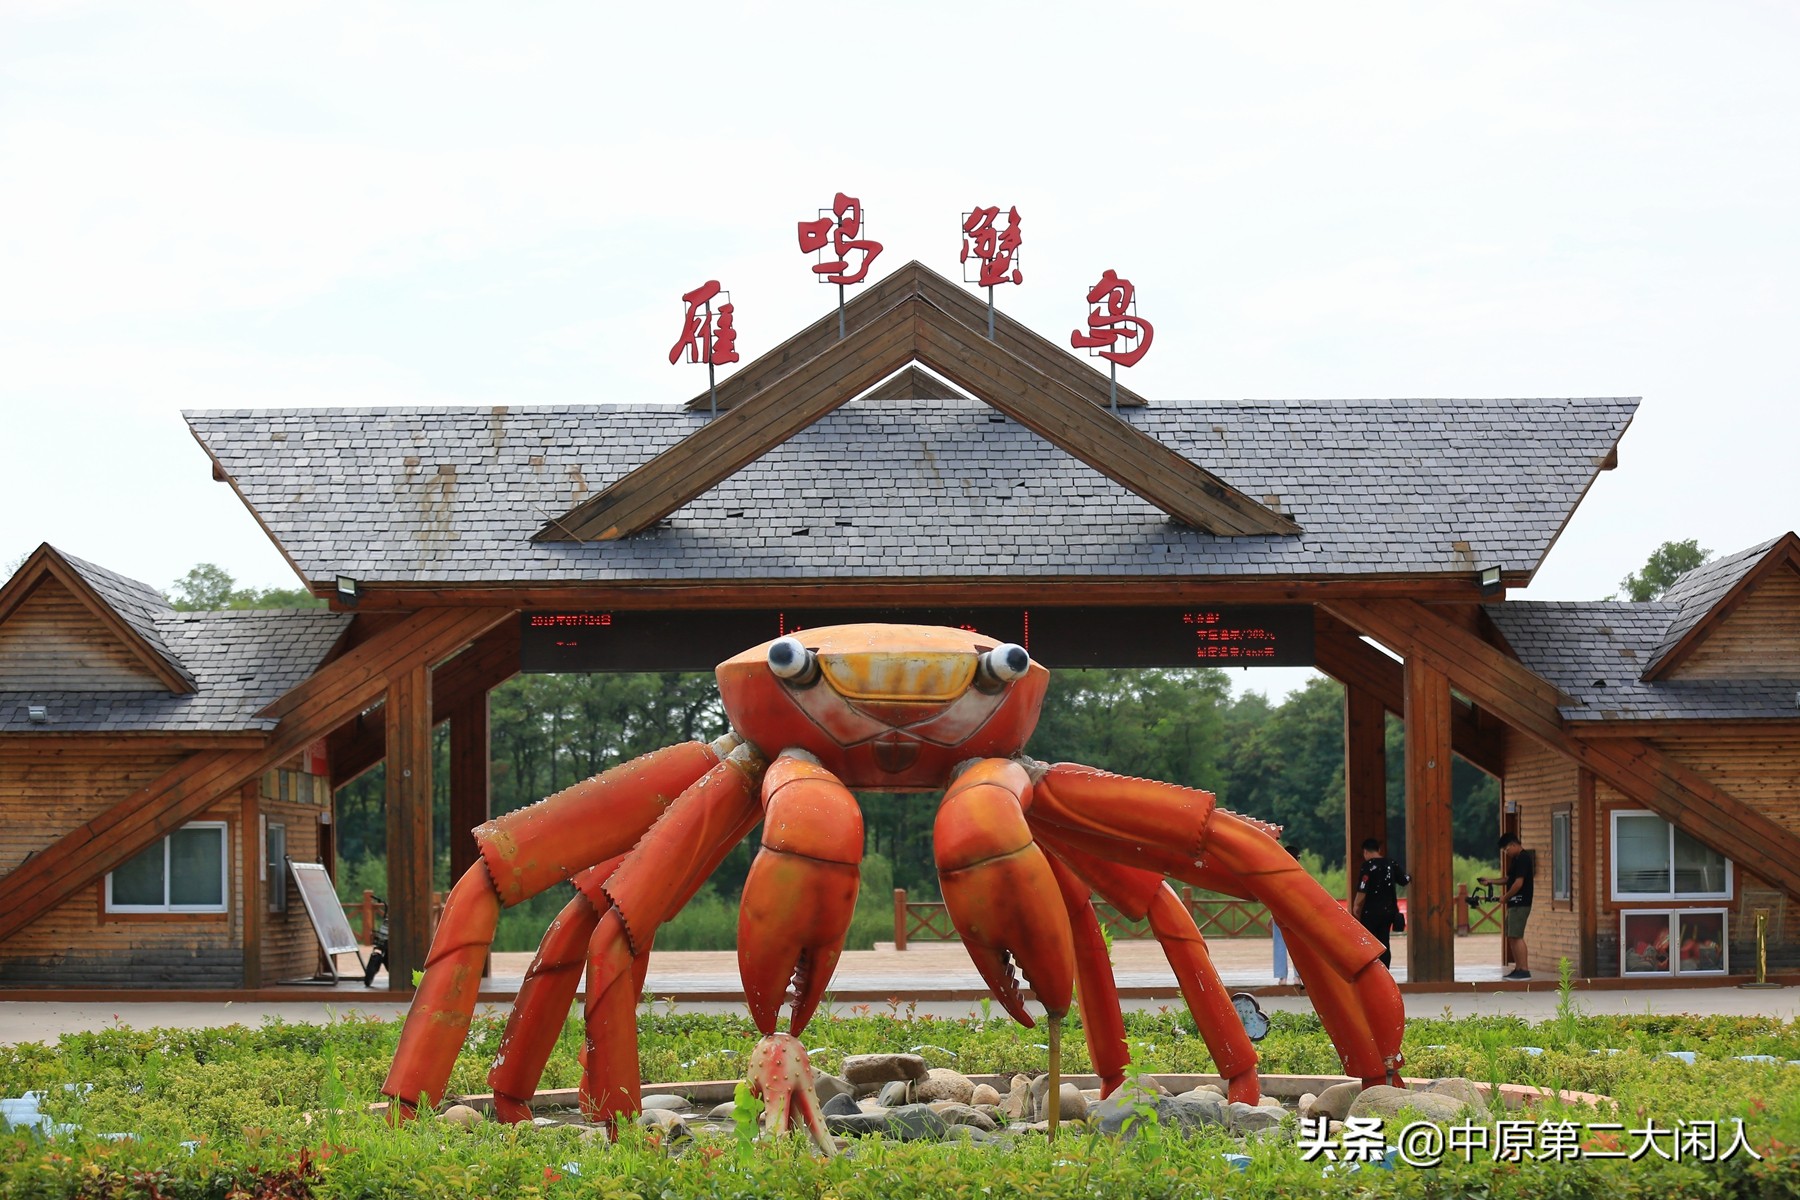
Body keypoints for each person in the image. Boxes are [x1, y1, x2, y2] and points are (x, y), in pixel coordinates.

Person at [1481, 833, 1535, 980]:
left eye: (1506, 849)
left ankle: (1524, 970)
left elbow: (1518, 883)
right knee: (1511, 935)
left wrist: (1506, 897)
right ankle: (1518, 968)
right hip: (1514, 903)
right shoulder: (1516, 860)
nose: (1506, 853)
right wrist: (1490, 881)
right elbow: (1508, 879)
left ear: (1513, 845)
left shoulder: (1523, 858)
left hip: (1520, 902)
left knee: (1517, 936)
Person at [1351, 837, 1408, 968]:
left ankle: (1371, 970)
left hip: (1370, 911)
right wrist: (1410, 876)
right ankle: (1385, 970)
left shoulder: (1368, 866)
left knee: (1369, 942)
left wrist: (1356, 906)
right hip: (1389, 911)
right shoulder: (1391, 864)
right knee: (1384, 941)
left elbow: (1362, 888)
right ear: (1379, 850)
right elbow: (1404, 880)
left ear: (1365, 852)